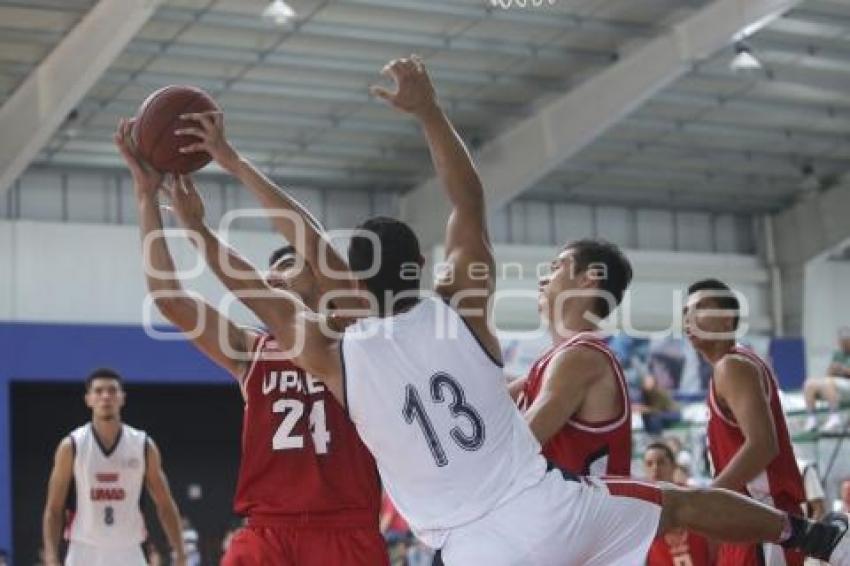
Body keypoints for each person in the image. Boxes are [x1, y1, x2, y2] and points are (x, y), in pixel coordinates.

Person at [173, 55, 850, 565]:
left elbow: (280, 262)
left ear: (350, 280)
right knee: (679, 502)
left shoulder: (334, 356)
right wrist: (430, 110)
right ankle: (810, 534)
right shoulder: (461, 309)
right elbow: (467, 202)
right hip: (546, 508)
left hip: (470, 547)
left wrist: (209, 212)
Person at [115, 119, 387, 566]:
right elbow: (170, 299)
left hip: (344, 530)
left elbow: (312, 240)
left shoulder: (357, 332)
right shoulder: (251, 350)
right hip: (267, 533)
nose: (275, 275)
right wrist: (146, 198)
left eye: (288, 265)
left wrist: (209, 209)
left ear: (320, 282)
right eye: (269, 273)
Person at [685, 278, 811, 565]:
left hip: (765, 518)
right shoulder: (729, 368)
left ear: (728, 319)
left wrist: (706, 497)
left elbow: (763, 445)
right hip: (748, 520)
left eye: (700, 308)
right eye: (686, 312)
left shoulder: (733, 365)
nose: (689, 319)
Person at [511, 238, 633, 476]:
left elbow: (519, 443)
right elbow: (482, 406)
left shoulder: (584, 357)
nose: (542, 279)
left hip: (585, 511)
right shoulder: (549, 364)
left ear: (589, 278)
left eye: (556, 268)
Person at [41, 368, 186, 566]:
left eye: (112, 390)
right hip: (83, 550)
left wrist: (180, 553)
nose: (106, 396)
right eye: (99, 391)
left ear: (122, 398)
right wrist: (50, 556)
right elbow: (54, 508)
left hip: (129, 550)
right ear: (88, 399)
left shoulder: (142, 445)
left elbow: (165, 504)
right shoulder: (72, 446)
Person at [644, 442, 712, 566]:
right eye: (649, 464)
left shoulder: (692, 496)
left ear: (674, 466)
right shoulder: (643, 507)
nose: (655, 468)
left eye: (661, 462)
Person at [803, 328, 850, 433]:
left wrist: (842, 369)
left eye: (845, 342)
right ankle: (811, 419)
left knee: (828, 382)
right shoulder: (838, 354)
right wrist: (832, 369)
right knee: (809, 383)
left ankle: (834, 416)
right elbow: (828, 374)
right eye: (841, 342)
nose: (843, 345)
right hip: (837, 385)